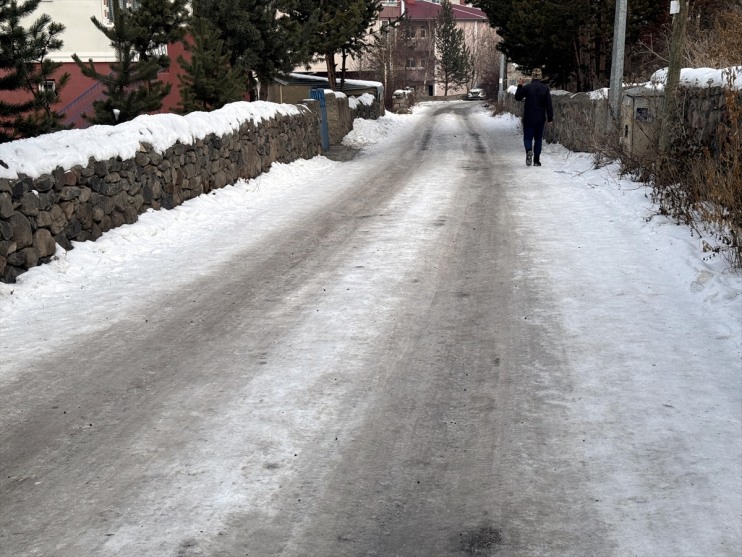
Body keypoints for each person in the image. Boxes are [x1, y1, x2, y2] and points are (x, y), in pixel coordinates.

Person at [515, 68, 554, 167]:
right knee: (538, 138)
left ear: (532, 76)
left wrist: (520, 85)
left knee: (528, 138)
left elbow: (518, 97)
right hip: (540, 118)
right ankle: (536, 160)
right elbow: (549, 104)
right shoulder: (545, 88)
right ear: (540, 76)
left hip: (529, 117)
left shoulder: (528, 87)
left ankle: (528, 150)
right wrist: (550, 118)